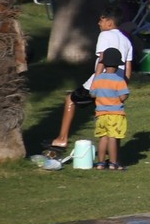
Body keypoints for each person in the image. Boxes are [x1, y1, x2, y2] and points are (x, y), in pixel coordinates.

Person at [44, 11, 135, 152]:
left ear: (110, 22)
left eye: (102, 20)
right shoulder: (126, 40)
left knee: (70, 100)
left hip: (101, 80)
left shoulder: (105, 35)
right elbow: (128, 67)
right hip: (118, 84)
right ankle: (113, 155)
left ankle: (62, 139)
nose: (99, 23)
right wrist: (123, 87)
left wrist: (96, 83)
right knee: (113, 116)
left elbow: (102, 59)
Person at [90, 47, 129, 170]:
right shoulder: (119, 80)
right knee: (113, 137)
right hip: (115, 113)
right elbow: (123, 96)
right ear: (117, 65)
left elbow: (92, 94)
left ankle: (100, 163)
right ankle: (113, 162)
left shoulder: (98, 79)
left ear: (104, 64)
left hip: (100, 113)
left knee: (103, 138)